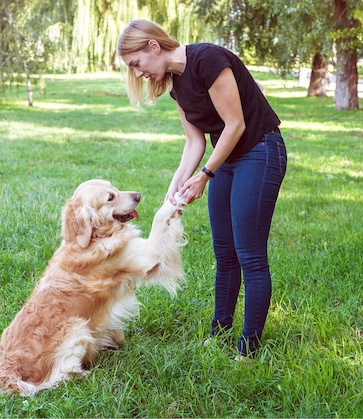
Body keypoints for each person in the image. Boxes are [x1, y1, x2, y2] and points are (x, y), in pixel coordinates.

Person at [117, 19, 287, 360]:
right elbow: (194, 142)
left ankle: (248, 347)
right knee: (224, 254)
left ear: (153, 46)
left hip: (259, 150)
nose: (138, 73)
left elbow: (236, 124)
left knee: (249, 255)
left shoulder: (208, 59)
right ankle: (219, 332)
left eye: (136, 64)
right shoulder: (177, 85)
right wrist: (174, 189)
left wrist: (206, 174)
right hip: (227, 159)